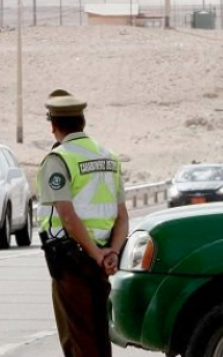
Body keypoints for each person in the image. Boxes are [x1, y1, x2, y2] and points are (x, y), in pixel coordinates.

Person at [36, 89, 129, 357]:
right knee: (98, 336)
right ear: (82, 122)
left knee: (79, 339)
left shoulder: (59, 159)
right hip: (102, 260)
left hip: (72, 261)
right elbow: (122, 216)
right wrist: (110, 252)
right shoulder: (109, 157)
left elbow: (67, 216)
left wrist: (95, 253)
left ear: (53, 125)